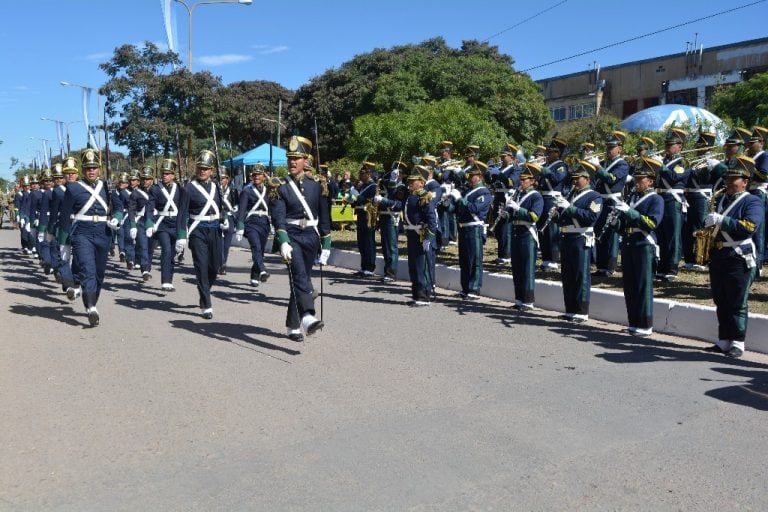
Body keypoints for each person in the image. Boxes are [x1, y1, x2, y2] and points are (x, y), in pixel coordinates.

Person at [269, 135, 332, 341]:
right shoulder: (279, 186)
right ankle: (308, 317)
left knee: (301, 279)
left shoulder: (318, 184)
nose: (292, 162)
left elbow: (324, 215)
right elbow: (278, 217)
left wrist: (327, 242)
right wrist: (283, 241)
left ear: (306, 160)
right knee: (299, 277)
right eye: (290, 158)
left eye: (297, 158)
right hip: (292, 237)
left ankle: (292, 325)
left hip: (311, 238)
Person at [705, 155, 763, 358]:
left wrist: (723, 220)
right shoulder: (721, 199)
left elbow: (749, 226)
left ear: (745, 182)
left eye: (733, 180)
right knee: (721, 299)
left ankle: (738, 342)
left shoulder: (753, 201)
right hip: (719, 253)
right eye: (727, 179)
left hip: (739, 255)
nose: (728, 183)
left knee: (737, 301)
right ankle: (724, 339)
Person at [57, 149, 114, 327]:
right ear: (83, 170)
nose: (91, 170)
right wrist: (64, 243)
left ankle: (92, 300)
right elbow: (65, 216)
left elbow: (118, 207)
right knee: (87, 269)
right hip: (82, 232)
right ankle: (91, 307)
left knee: (99, 273)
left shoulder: (107, 186)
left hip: (103, 233)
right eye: (88, 167)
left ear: (99, 169)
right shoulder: (73, 188)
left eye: (94, 167)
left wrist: (117, 218)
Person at [614, 157, 665, 336]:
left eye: (640, 180)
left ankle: (645, 324)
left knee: (643, 285)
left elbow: (652, 222)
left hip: (644, 244)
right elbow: (625, 225)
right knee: (630, 285)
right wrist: (616, 223)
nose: (636, 183)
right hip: (629, 243)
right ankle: (633, 322)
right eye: (635, 179)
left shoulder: (656, 199)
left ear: (650, 181)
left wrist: (630, 212)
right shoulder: (633, 197)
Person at [176, 150, 226, 319]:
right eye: (200, 168)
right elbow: (182, 213)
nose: (202, 171)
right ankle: (206, 303)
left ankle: (204, 291)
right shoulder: (189, 188)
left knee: (215, 266)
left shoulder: (216, 186)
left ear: (211, 170)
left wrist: (224, 219)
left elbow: (221, 207)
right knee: (202, 267)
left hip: (215, 230)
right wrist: (182, 235)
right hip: (198, 230)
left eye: (206, 168)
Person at [555, 160, 603, 322]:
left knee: (580, 275)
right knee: (567, 275)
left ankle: (581, 311)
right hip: (567, 236)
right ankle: (570, 309)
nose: (575, 181)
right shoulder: (571, 194)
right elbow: (563, 217)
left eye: (579, 178)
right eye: (574, 178)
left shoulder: (595, 197)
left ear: (588, 179)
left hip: (581, 237)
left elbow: (591, 217)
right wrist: (557, 212)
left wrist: (570, 208)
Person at [450, 161, 491, 299]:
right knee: (464, 260)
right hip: (464, 228)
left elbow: (474, 208)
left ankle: (473, 289)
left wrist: (460, 199)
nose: (469, 178)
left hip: (474, 228)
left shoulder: (484, 191)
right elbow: (458, 209)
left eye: (472, 175)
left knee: (474, 260)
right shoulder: (467, 190)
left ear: (479, 177)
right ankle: (465, 288)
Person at [506, 162, 544, 311]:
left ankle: (528, 301)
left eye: (524, 179)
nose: (521, 182)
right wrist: (506, 213)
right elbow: (513, 216)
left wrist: (518, 208)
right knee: (517, 267)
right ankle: (519, 299)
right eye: (520, 179)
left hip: (527, 234)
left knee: (527, 268)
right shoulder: (518, 194)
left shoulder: (536, 196)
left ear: (532, 181)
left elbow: (534, 216)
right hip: (516, 232)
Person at [593, 131, 630, 277]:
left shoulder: (622, 164)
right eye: (607, 147)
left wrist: (597, 168)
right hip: (601, 200)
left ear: (619, 148)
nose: (608, 150)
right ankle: (600, 266)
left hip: (612, 201)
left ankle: (610, 266)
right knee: (599, 231)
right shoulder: (604, 163)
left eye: (612, 147)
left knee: (610, 234)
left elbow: (611, 179)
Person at [656, 127, 691, 282]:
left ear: (679, 146)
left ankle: (672, 268)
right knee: (661, 235)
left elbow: (673, 177)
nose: (667, 148)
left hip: (673, 200)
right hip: (661, 197)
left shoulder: (682, 162)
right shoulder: (664, 161)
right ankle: (662, 267)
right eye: (666, 145)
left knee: (672, 236)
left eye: (671, 145)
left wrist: (660, 167)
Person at [402, 165, 437, 306]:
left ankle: (424, 296)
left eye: (414, 181)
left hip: (420, 234)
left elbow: (431, 220)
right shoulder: (411, 196)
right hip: (411, 234)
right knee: (413, 266)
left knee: (421, 266)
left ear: (422, 183)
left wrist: (429, 238)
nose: (410, 183)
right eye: (410, 181)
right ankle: (416, 295)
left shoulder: (425, 197)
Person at [146, 158, 181, 292]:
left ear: (173, 175)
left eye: (167, 173)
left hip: (175, 223)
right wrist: (149, 223)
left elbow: (184, 208)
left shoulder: (179, 188)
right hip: (162, 224)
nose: (164, 175)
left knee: (172, 253)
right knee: (166, 249)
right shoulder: (155, 189)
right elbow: (150, 207)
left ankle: (169, 279)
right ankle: (165, 281)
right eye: (163, 173)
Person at [236, 164, 272, 287]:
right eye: (254, 174)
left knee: (260, 250)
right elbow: (241, 209)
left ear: (264, 176)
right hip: (251, 222)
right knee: (256, 247)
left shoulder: (269, 190)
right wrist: (240, 226)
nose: (257, 177)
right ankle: (262, 270)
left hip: (264, 223)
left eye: (259, 174)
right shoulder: (247, 190)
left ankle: (254, 275)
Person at [537, 137, 569, 271]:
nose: (548, 154)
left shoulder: (561, 166)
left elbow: (557, 178)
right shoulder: (546, 165)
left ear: (558, 153)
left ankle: (553, 260)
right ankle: (545, 259)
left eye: (551, 152)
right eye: (548, 152)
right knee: (542, 230)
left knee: (551, 230)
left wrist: (544, 171)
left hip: (553, 199)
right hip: (543, 198)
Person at [374, 161, 408, 282]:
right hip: (383, 217)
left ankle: (391, 273)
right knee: (385, 246)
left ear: (401, 175)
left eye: (397, 173)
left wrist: (384, 201)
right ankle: (387, 271)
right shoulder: (388, 185)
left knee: (391, 246)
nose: (393, 175)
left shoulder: (402, 188)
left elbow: (399, 205)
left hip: (392, 218)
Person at [491, 144, 522, 265]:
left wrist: (498, 174)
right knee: (498, 227)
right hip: (498, 197)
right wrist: (489, 174)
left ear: (511, 157)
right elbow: (492, 182)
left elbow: (511, 182)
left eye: (504, 157)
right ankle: (501, 253)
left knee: (505, 227)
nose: (501, 159)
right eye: (501, 156)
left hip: (507, 198)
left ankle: (506, 254)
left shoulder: (516, 168)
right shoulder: (501, 168)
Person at [350, 161, 378, 277]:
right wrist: (351, 199)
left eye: (363, 173)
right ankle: (363, 266)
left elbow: (362, 199)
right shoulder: (362, 186)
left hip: (368, 215)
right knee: (361, 242)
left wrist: (356, 194)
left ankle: (370, 268)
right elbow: (357, 201)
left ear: (369, 174)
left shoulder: (373, 186)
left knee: (368, 242)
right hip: (361, 214)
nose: (360, 176)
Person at [746, 126, 768, 272]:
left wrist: (749, 167)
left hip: (759, 192)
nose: (749, 144)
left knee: (758, 229)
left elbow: (764, 175)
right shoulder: (750, 157)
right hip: (750, 192)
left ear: (761, 142)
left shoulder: (764, 156)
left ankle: (758, 263)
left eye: (752, 142)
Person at [129, 166, 155, 282]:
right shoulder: (135, 193)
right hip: (141, 222)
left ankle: (147, 265)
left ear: (152, 180)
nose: (145, 181)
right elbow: (131, 210)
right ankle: (145, 270)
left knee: (151, 247)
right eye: (143, 179)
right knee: (143, 245)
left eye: (148, 179)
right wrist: (133, 225)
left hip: (154, 222)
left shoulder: (157, 191)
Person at [218, 166, 239, 275]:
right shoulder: (215, 190)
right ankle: (221, 263)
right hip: (219, 218)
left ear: (227, 179)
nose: (221, 180)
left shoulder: (233, 190)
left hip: (230, 217)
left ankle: (223, 262)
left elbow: (236, 205)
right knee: (219, 243)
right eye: (220, 178)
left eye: (223, 178)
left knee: (226, 244)